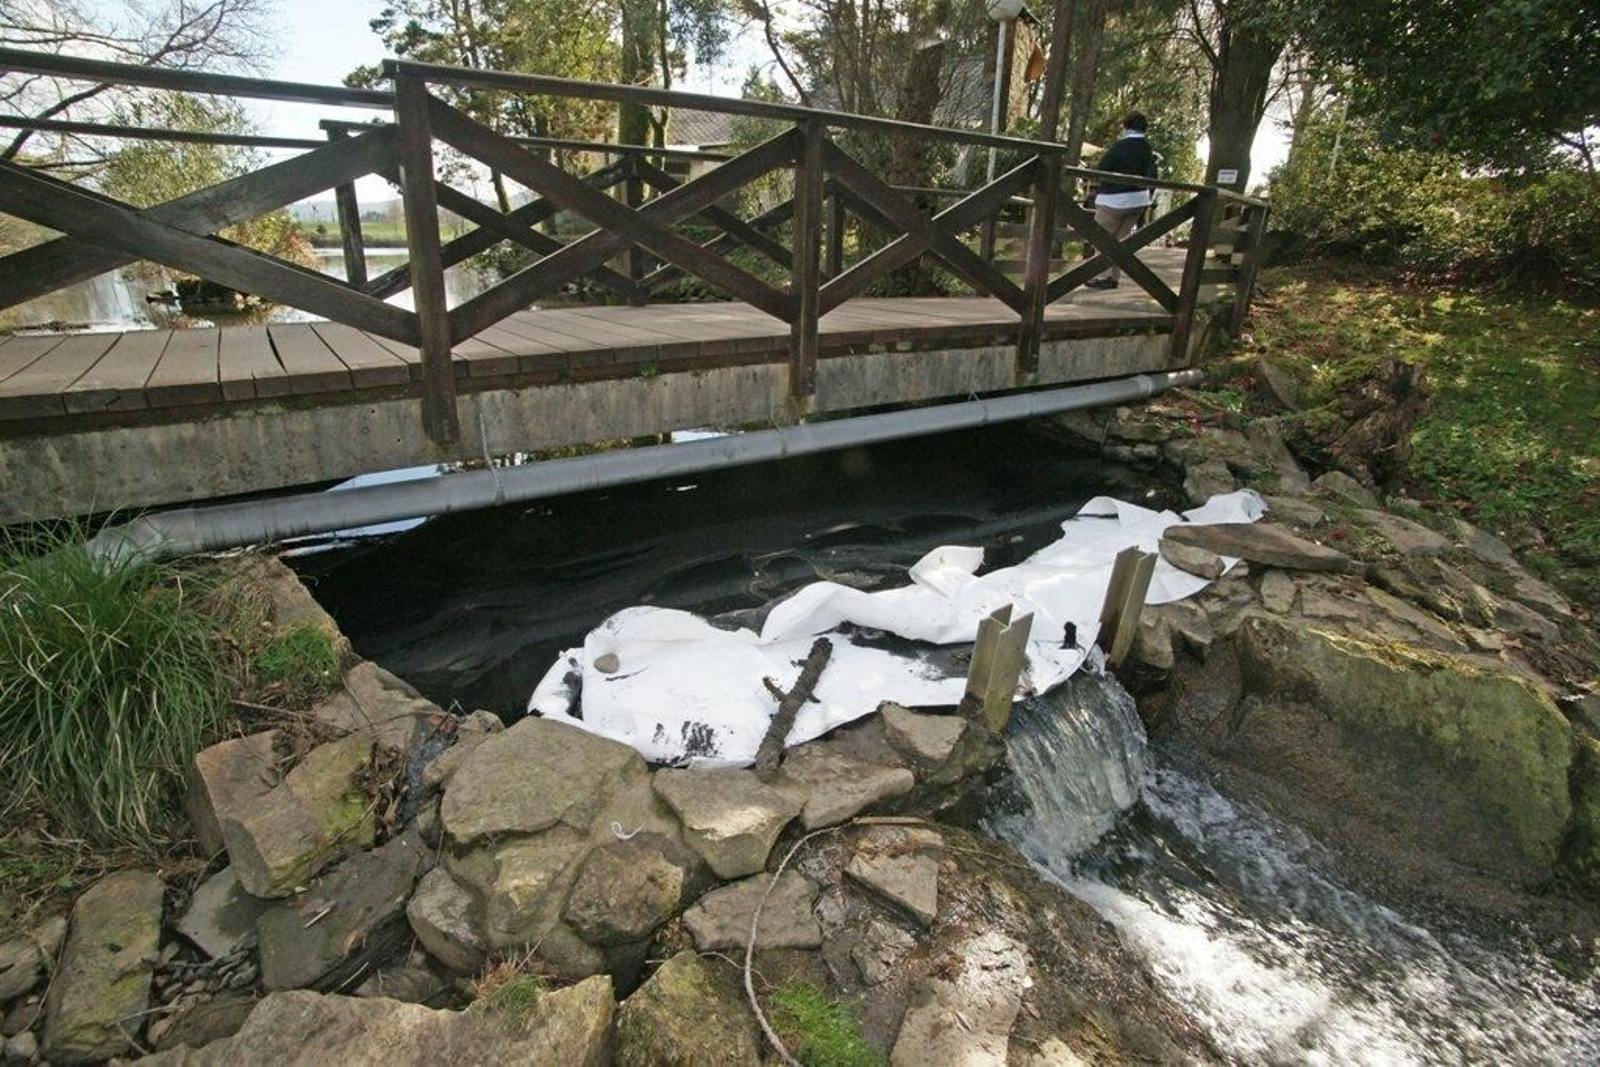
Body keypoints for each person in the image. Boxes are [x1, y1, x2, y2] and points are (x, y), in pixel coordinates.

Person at [1085, 112, 1158, 290]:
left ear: (1126, 127)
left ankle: (1102, 276)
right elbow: (1153, 176)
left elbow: (1103, 167)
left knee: (1101, 239)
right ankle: (1113, 277)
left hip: (1114, 200)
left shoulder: (1120, 146)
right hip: (1139, 201)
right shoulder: (1147, 149)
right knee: (1119, 242)